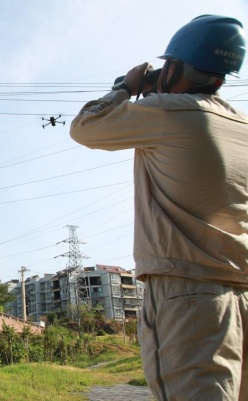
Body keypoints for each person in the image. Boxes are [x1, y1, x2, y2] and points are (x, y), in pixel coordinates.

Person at [69, 15, 247, 401]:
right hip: (241, 292)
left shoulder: (170, 112)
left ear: (176, 66)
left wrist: (126, 87)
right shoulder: (241, 125)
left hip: (190, 297)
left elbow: (85, 126)